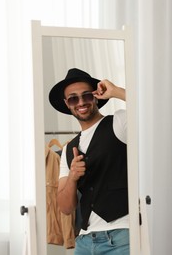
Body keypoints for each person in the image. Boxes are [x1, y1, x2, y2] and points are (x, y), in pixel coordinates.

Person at [49, 68, 129, 254]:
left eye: (86, 95)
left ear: (95, 97)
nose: (81, 102)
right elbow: (65, 207)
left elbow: (150, 109)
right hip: (85, 240)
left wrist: (116, 91)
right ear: (67, 104)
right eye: (73, 98)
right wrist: (72, 177)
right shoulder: (69, 149)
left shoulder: (118, 122)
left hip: (122, 236)